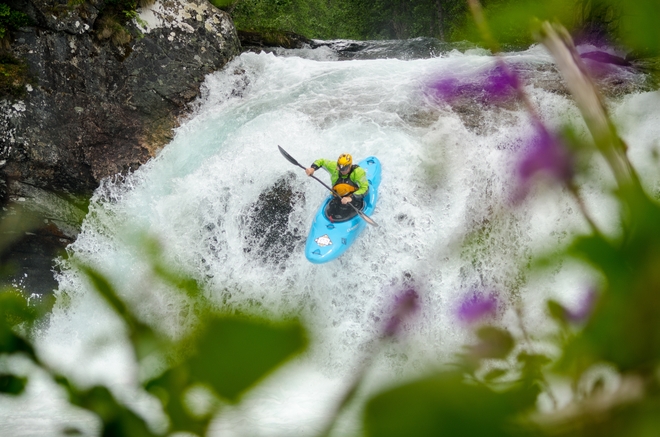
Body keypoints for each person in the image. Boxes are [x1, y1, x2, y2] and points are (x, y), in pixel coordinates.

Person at [306, 153, 369, 221]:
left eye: (345, 169)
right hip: (337, 197)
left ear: (350, 165)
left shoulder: (358, 172)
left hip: (354, 200)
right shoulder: (334, 167)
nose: (342, 171)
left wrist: (351, 198)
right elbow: (321, 161)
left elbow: (365, 188)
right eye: (340, 169)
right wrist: (312, 168)